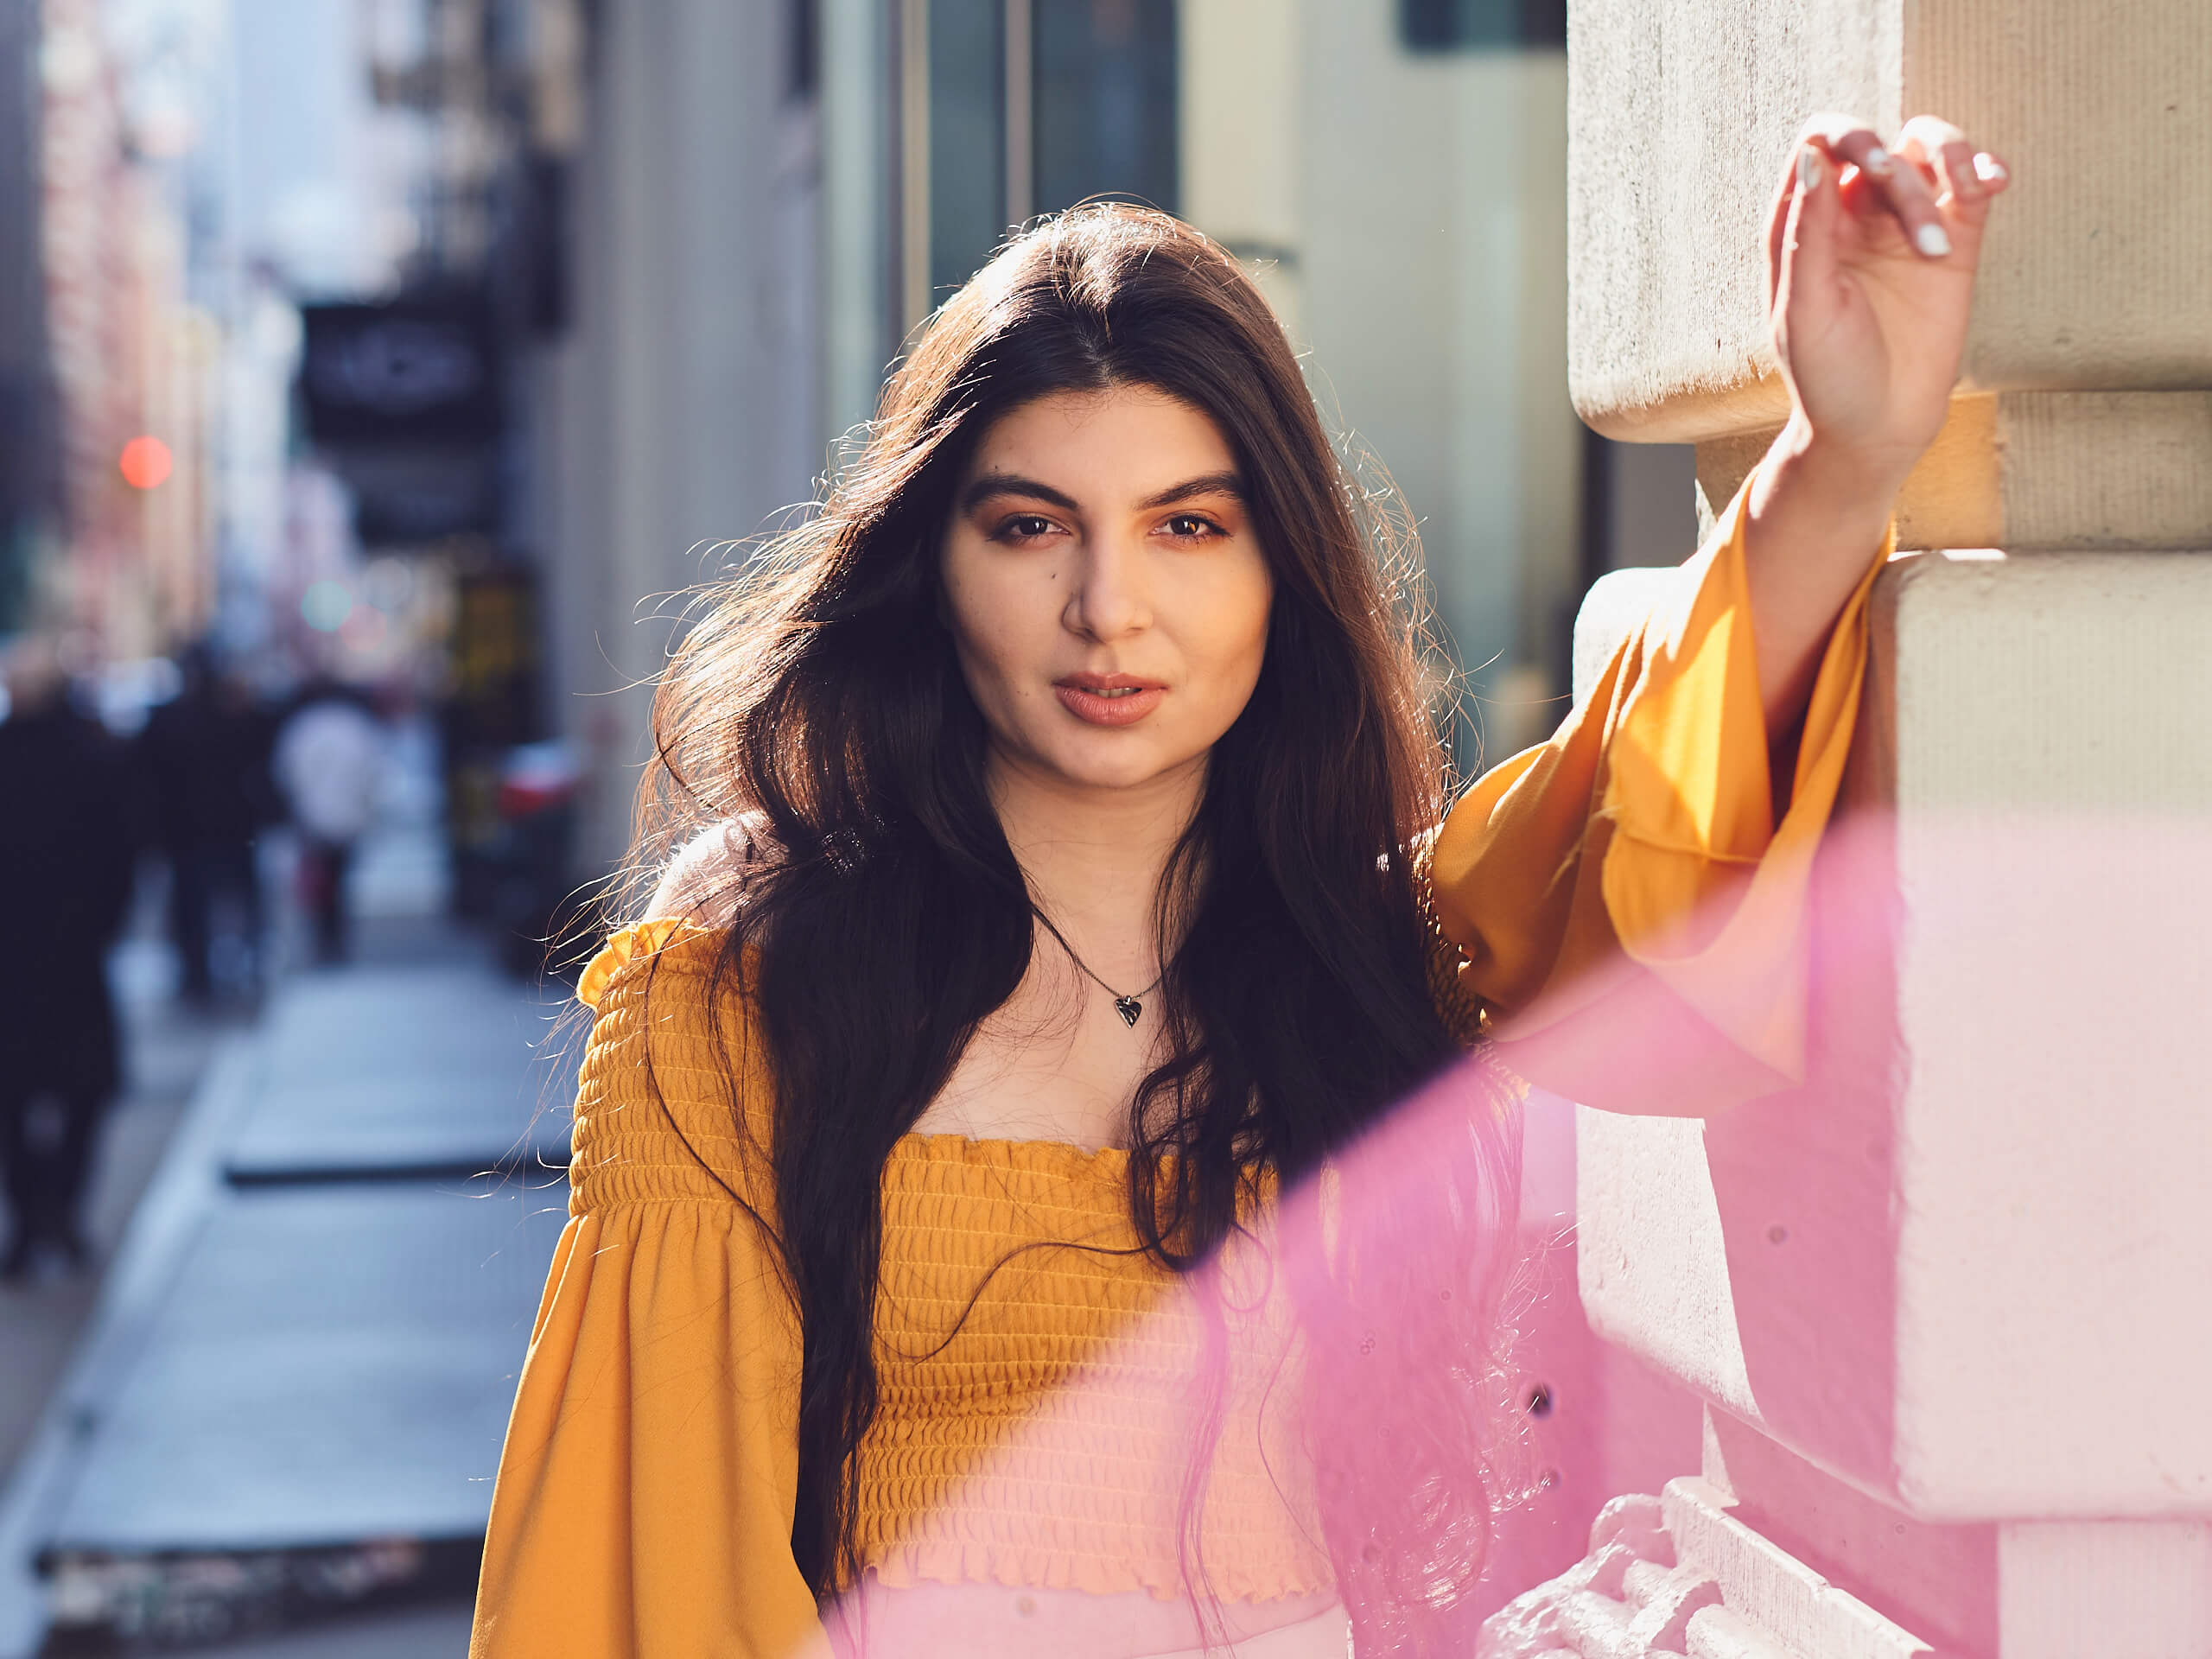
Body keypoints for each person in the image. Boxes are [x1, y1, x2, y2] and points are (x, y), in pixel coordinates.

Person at [469, 114, 2010, 1657]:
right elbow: (641, 1595)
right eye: (1031, 528)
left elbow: (1666, 833)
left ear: (1280, 571)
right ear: (932, 567)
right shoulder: (739, 1006)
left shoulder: (1383, 955)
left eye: (1189, 526)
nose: (1109, 610)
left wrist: (1845, 454)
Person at [0, 638, 140, 1279]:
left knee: (14, 1097)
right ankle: (58, 1209)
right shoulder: (96, 758)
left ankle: (35, 1216)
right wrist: (104, 925)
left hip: (15, 960)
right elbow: (124, 857)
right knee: (86, 1089)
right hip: (76, 955)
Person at [138, 645, 275, 1003]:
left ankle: (205, 974)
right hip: (213, 830)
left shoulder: (180, 718)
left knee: (201, 907)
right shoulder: (227, 715)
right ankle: (225, 970)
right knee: (226, 903)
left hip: (198, 831)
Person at [272, 680, 386, 965]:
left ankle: (324, 937)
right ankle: (337, 939)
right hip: (348, 817)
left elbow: (287, 772)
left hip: (313, 818)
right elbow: (373, 772)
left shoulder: (302, 728)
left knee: (320, 881)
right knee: (340, 881)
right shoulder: (357, 727)